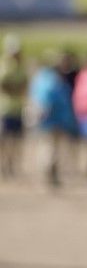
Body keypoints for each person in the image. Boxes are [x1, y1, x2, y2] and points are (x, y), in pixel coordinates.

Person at [28, 49, 78, 187]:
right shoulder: (54, 81)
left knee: (48, 147)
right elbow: (57, 102)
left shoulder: (38, 80)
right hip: (54, 121)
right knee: (51, 149)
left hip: (46, 120)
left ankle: (49, 173)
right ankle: (50, 174)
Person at [0, 34, 29, 178]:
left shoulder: (21, 67)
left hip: (18, 109)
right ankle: (4, 165)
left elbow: (24, 85)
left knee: (17, 140)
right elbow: (4, 85)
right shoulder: (4, 65)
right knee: (5, 140)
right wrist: (16, 88)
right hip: (5, 109)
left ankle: (13, 166)